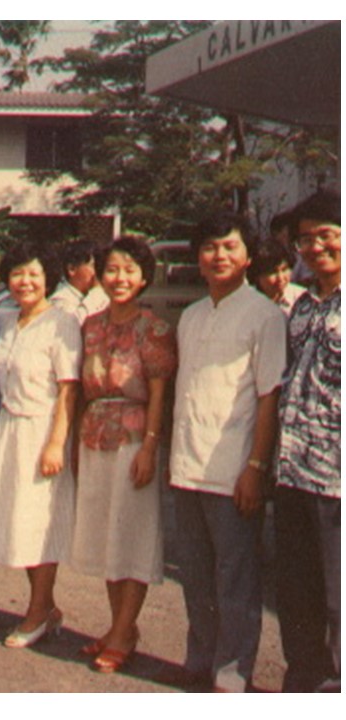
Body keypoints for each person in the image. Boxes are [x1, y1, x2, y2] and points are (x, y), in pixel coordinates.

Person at [168, 212, 286, 692]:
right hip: (186, 466)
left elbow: (269, 396)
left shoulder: (265, 316)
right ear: (198, 257)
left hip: (234, 469)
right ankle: (199, 662)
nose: (219, 255)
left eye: (230, 246)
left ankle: (232, 674)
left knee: (236, 578)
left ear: (248, 256)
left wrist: (256, 466)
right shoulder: (192, 315)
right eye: (210, 247)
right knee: (196, 577)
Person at [69, 237, 177, 672]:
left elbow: (158, 394)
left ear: (144, 277)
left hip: (133, 440)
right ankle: (121, 629)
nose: (120, 278)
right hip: (94, 437)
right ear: (99, 275)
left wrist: (150, 447)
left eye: (130, 270)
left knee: (131, 537)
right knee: (108, 540)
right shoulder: (90, 325)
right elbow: (81, 391)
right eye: (112, 269)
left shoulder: (154, 328)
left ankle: (122, 631)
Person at [0, 241, 80, 648]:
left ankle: (36, 614)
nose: (25, 281)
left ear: (48, 279)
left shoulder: (61, 322)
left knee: (40, 527)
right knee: (19, 524)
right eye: (18, 274)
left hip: (43, 431)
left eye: (34, 274)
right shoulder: (7, 323)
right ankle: (46, 607)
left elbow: (69, 389)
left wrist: (56, 443)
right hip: (10, 430)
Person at [273, 190, 340, 693]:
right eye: (305, 240)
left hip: (338, 479)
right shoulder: (301, 305)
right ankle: (303, 683)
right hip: (293, 472)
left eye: (326, 235)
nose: (315, 247)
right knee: (298, 593)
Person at [49, 239, 109, 324]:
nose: (96, 273)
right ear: (72, 269)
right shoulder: (60, 301)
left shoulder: (95, 295)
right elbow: (75, 325)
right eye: (93, 266)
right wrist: (96, 293)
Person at [247, 237, 306, 316]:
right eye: (273, 272)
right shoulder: (246, 301)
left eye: (284, 269)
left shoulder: (302, 298)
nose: (280, 278)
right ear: (258, 274)